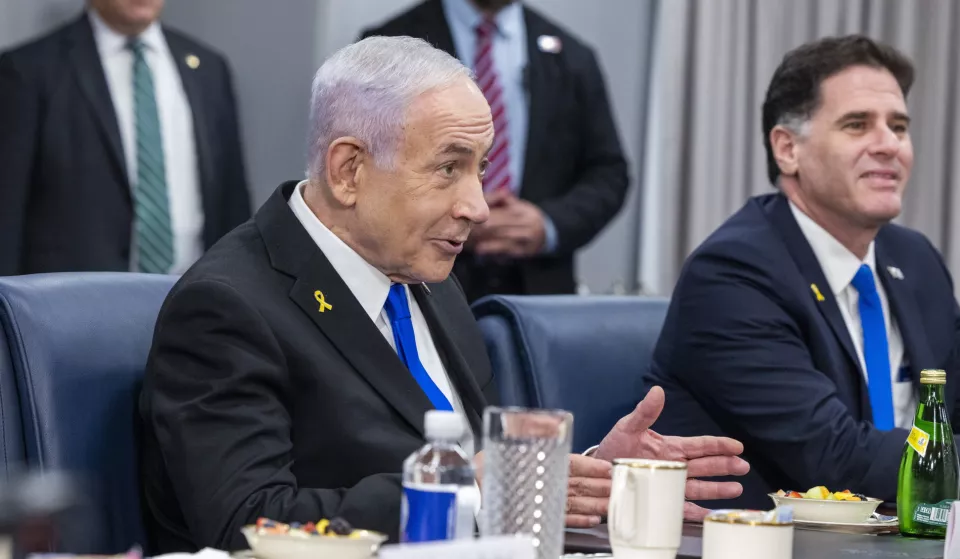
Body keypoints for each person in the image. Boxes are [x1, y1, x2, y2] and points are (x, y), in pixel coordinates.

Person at [139, 36, 748, 553]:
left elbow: (482, 474)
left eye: (479, 170)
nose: (477, 207)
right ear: (349, 170)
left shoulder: (432, 284)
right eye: (448, 168)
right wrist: (463, 489)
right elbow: (246, 524)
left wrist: (572, 474)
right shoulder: (228, 307)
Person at [645, 34, 960, 510]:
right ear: (787, 149)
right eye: (858, 125)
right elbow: (836, 458)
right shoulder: (733, 275)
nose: (888, 145)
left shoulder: (916, 260)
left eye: (899, 127)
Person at [361, 0, 629, 302]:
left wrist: (548, 224)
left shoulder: (571, 55)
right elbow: (371, 168)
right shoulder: (390, 47)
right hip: (420, 290)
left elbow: (609, 173)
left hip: (538, 292)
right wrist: (447, 217)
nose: (481, 211)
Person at [0, 0, 250, 276]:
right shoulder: (28, 70)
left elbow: (232, 200)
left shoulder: (208, 68)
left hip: (193, 295)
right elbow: (7, 210)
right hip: (75, 300)